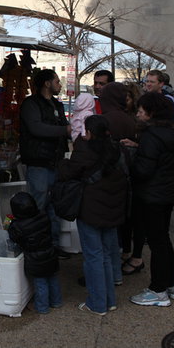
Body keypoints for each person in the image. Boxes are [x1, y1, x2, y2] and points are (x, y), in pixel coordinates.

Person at [121, 92, 174, 306]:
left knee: (157, 242)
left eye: (142, 111)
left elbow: (144, 169)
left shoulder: (152, 135)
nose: (138, 114)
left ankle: (158, 289)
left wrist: (131, 163)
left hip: (152, 195)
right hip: (168, 192)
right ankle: (173, 283)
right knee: (163, 239)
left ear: (152, 113)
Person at [60, 115, 127, 315]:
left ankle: (97, 303)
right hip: (111, 209)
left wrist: (68, 156)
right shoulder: (116, 150)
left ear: (89, 133)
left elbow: (66, 173)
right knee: (106, 254)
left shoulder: (85, 152)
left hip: (90, 210)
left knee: (93, 257)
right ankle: (109, 300)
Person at [19, 69, 72, 258]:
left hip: (55, 162)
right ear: (47, 84)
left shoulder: (57, 104)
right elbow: (36, 128)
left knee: (54, 207)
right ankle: (36, 247)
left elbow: (64, 128)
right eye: (57, 81)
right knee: (38, 206)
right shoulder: (31, 104)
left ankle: (53, 246)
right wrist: (64, 130)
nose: (60, 84)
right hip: (38, 163)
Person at [97, 82, 136, 281]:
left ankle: (112, 267)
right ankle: (125, 252)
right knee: (125, 219)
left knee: (108, 225)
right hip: (128, 177)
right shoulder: (130, 119)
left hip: (110, 178)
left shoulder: (105, 120)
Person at [7, 192, 61, 314]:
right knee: (53, 279)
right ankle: (56, 302)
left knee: (40, 283)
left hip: (35, 258)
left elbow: (13, 237)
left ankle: (42, 307)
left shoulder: (18, 225)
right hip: (50, 253)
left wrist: (10, 224)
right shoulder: (43, 215)